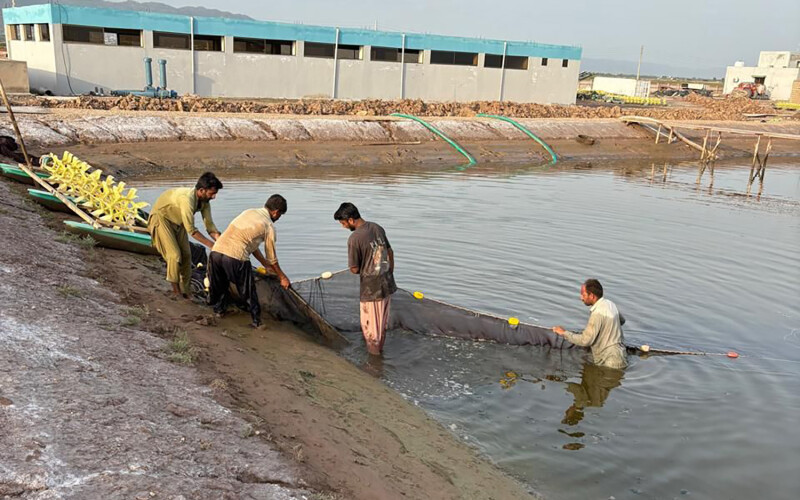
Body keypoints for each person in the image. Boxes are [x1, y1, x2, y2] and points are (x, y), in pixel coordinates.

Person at [208, 194, 290, 328]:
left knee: (221, 284)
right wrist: (282, 277)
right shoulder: (268, 226)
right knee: (248, 290)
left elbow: (250, 245)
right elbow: (272, 258)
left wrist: (265, 265)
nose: (278, 218)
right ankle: (257, 322)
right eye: (280, 215)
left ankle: (219, 311)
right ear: (276, 212)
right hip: (235, 257)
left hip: (216, 252)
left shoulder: (249, 212)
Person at [334, 202, 397, 355]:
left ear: (350, 219)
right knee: (381, 327)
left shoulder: (354, 238)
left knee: (371, 331)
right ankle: (378, 356)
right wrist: (389, 273)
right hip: (387, 285)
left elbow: (354, 269)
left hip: (371, 290)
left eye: (343, 223)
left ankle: (374, 366)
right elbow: (390, 253)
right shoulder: (377, 227)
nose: (343, 227)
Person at [148, 172, 222, 299]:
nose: (214, 197)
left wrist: (220, 242)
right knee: (174, 255)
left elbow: (209, 225)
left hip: (178, 222)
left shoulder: (204, 202)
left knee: (187, 256)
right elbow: (191, 230)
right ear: (202, 190)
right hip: (162, 219)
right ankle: (176, 291)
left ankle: (186, 291)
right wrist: (211, 245)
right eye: (212, 193)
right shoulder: (186, 199)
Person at [552, 279, 628, 369]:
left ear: (592, 296)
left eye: (583, 295)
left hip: (609, 361)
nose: (581, 298)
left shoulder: (597, 313)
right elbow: (622, 321)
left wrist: (564, 333)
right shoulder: (610, 304)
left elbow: (586, 341)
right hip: (620, 354)